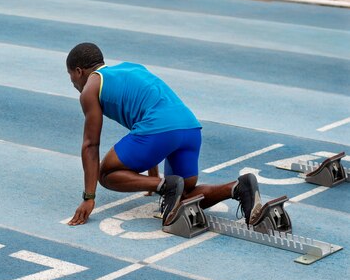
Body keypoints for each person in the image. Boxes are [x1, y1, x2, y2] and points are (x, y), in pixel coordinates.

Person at [65, 42, 263, 227]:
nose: (72, 82)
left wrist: (88, 198)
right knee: (182, 194)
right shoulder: (132, 68)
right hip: (189, 128)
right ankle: (237, 187)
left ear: (79, 71)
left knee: (105, 173)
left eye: (71, 76)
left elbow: (90, 145)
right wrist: (153, 175)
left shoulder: (90, 89)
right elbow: (147, 115)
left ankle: (165, 186)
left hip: (160, 130)